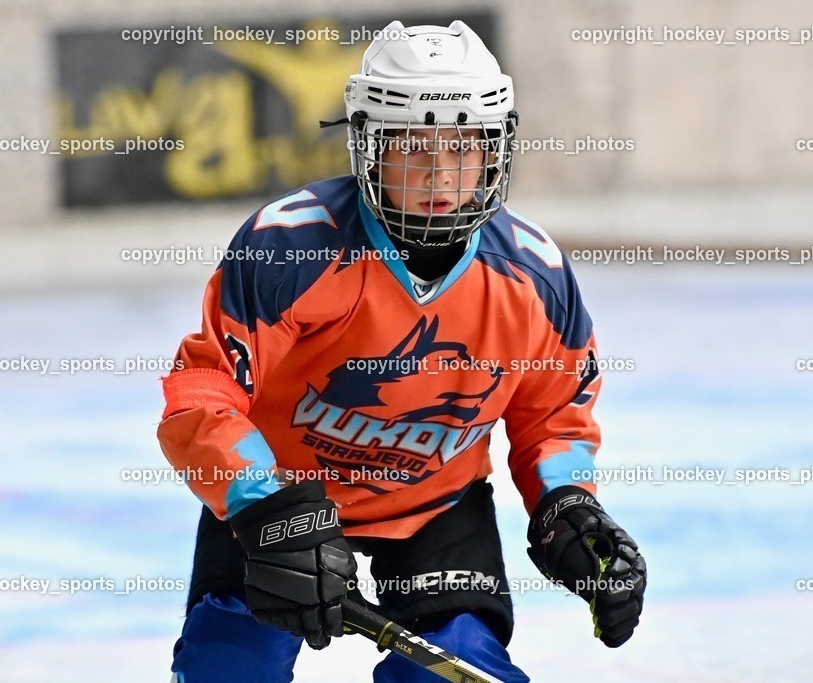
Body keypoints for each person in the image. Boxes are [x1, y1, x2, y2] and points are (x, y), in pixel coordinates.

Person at [157, 19, 646, 683]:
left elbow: (554, 416)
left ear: (495, 152)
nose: (441, 174)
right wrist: (261, 503)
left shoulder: (535, 275)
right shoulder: (290, 249)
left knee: (453, 670)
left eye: (463, 148)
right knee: (229, 670)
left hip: (434, 508)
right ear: (366, 146)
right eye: (414, 147)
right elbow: (204, 391)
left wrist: (569, 507)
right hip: (280, 499)